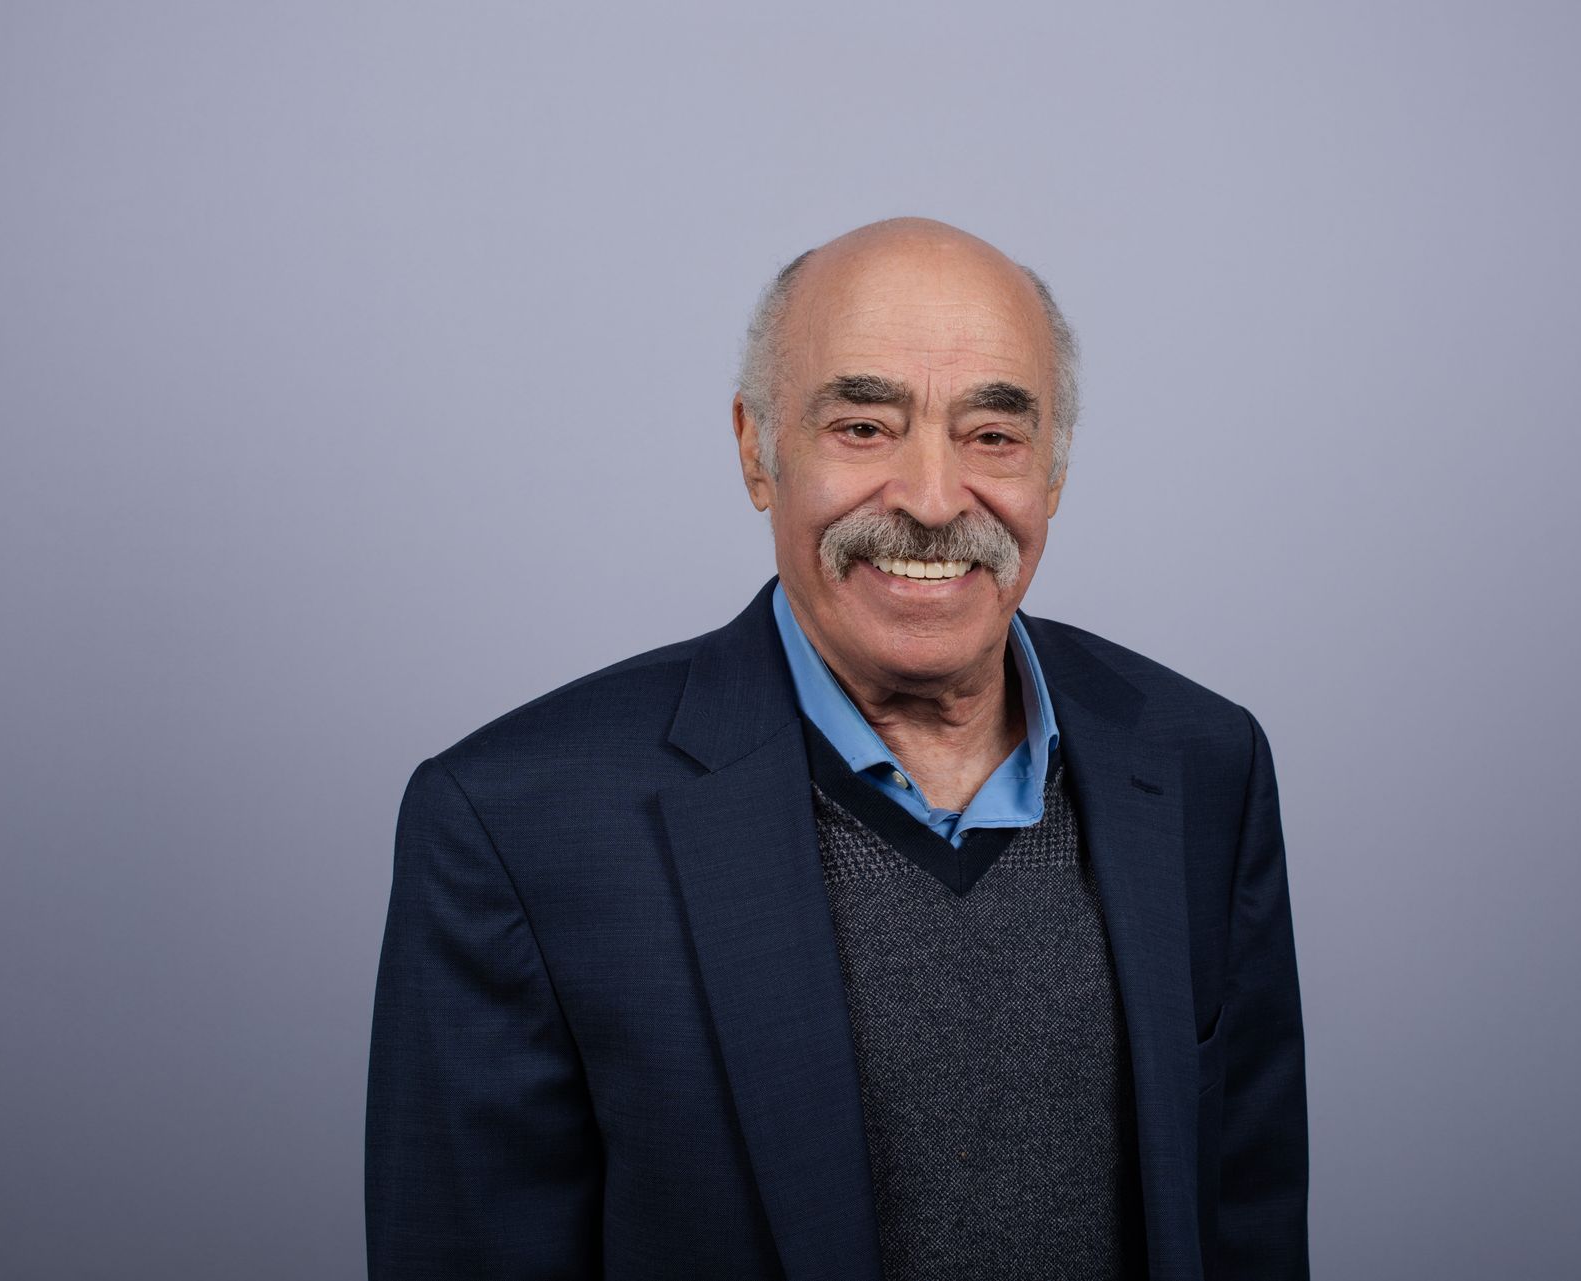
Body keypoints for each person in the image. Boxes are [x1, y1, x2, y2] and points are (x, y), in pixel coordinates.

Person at [365, 217, 1308, 1280]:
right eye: (864, 427)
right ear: (755, 452)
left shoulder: (1200, 765)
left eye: (994, 436)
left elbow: (1247, 1229)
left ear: (1053, 471)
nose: (933, 498)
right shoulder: (518, 824)